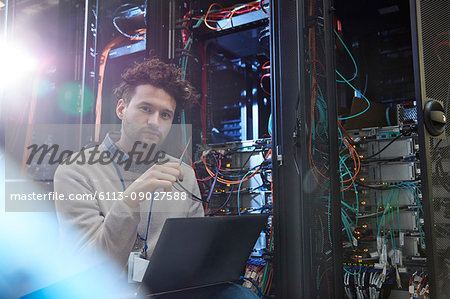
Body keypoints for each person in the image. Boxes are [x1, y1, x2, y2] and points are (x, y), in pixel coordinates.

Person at [54, 59, 258, 298]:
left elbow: (194, 254)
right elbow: (89, 268)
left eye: (165, 115)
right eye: (145, 109)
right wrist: (129, 200)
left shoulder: (182, 173)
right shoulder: (76, 171)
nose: (155, 122)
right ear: (121, 109)